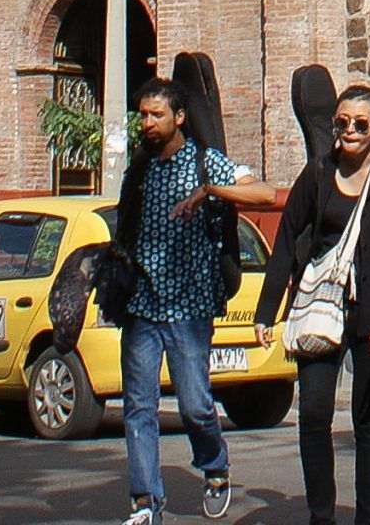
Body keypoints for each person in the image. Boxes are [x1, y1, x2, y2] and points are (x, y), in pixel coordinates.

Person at [256, 83, 370, 525]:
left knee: (368, 419)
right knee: (313, 413)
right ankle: (321, 516)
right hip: (319, 307)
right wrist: (267, 308)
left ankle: (365, 518)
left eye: (360, 123)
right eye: (342, 123)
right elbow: (286, 238)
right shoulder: (317, 173)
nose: (350, 130)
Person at [115, 77, 281, 525]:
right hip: (142, 306)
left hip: (189, 309)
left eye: (156, 115)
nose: (147, 123)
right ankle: (145, 502)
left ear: (179, 117)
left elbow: (265, 193)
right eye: (143, 115)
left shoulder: (208, 163)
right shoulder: (141, 168)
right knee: (138, 406)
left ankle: (214, 466)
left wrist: (211, 191)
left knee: (194, 403)